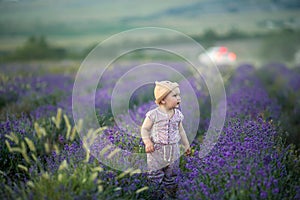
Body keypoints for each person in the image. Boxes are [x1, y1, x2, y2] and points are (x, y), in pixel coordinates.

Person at [141, 80, 191, 199]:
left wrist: (186, 145)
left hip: (173, 150)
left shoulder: (178, 114)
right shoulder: (153, 115)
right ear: (163, 100)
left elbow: (181, 131)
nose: (179, 98)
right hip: (156, 151)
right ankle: (155, 196)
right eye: (175, 95)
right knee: (155, 176)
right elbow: (144, 129)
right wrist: (147, 142)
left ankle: (170, 196)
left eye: (179, 95)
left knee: (171, 176)